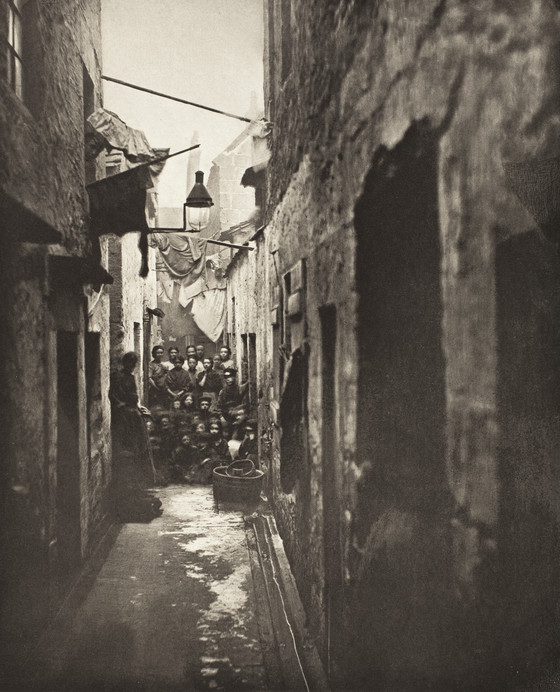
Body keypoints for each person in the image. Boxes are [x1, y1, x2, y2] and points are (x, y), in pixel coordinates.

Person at [109, 352, 160, 520]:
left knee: (140, 448)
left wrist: (136, 406)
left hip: (132, 415)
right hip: (125, 416)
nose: (131, 365)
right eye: (129, 362)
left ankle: (140, 484)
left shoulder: (130, 377)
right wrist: (123, 405)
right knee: (130, 449)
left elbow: (134, 398)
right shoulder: (117, 377)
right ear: (124, 362)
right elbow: (115, 396)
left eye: (134, 362)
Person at [199, 419, 231, 483]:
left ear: (220, 430)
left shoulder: (223, 442)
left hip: (220, 464)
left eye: (216, 429)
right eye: (212, 429)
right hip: (208, 464)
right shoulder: (207, 441)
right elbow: (202, 454)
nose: (214, 431)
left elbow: (226, 457)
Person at [148, 345, 167, 409]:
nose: (160, 354)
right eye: (158, 353)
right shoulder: (151, 365)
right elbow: (149, 378)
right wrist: (157, 388)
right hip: (154, 390)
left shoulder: (164, 365)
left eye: (161, 353)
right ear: (154, 354)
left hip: (163, 390)